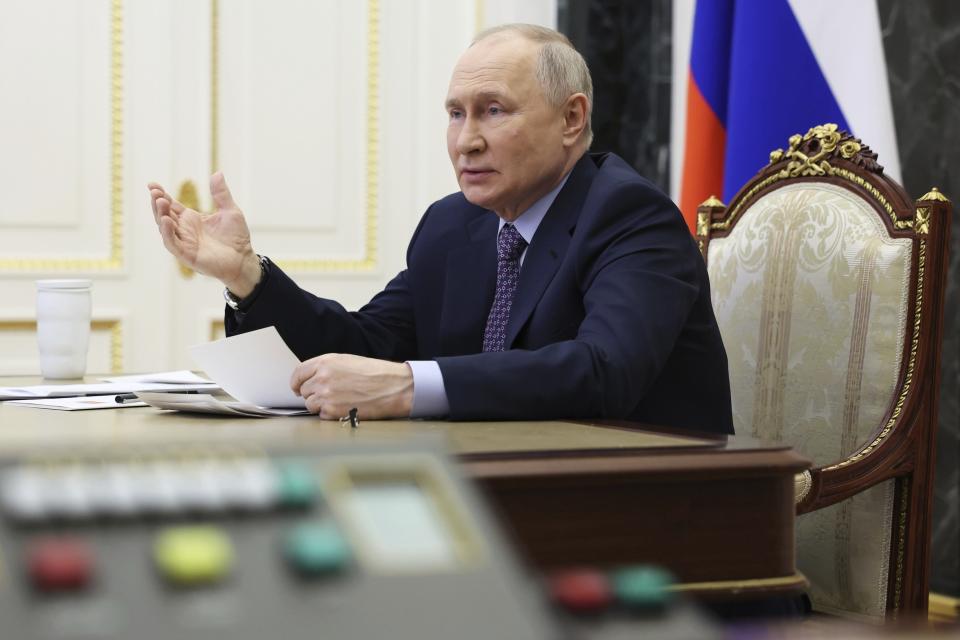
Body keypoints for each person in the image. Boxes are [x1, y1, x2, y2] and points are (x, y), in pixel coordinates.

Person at [148, 24, 733, 433]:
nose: (466, 140)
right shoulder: (455, 225)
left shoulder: (631, 216)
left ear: (571, 118)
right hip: (497, 500)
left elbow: (603, 371)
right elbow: (366, 350)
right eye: (456, 113)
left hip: (650, 516)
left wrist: (408, 387)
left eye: (493, 110)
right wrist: (248, 276)